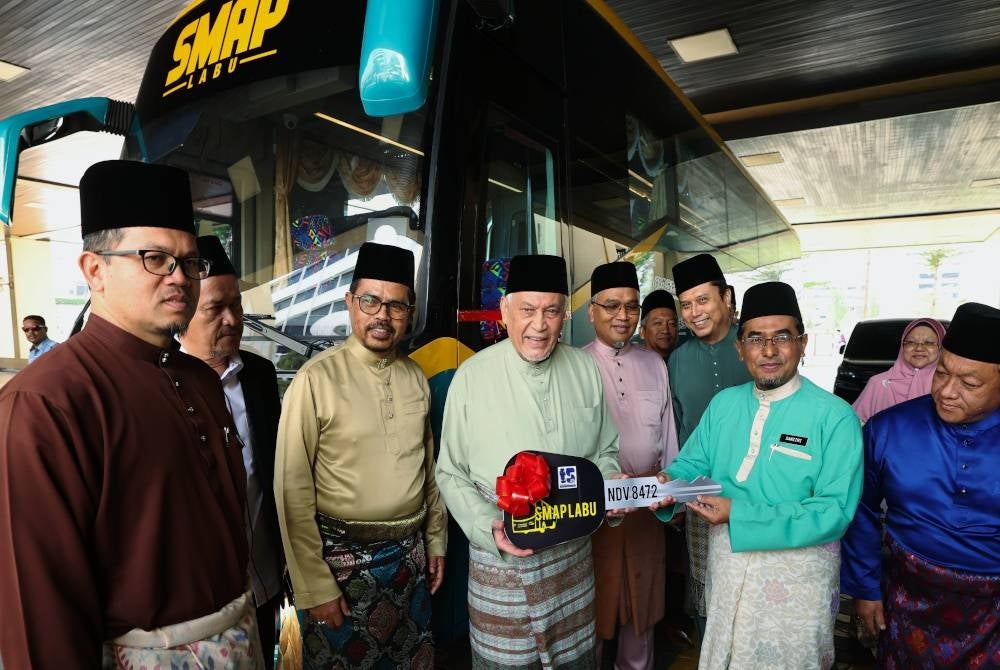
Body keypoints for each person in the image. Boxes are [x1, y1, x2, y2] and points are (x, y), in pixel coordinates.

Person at [0, 161, 259, 668]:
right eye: (156, 258)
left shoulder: (202, 379)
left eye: (189, 262)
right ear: (94, 269)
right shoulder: (46, 404)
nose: (180, 278)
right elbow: (40, 623)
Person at [652, 281, 863, 670]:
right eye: (755, 338)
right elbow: (692, 463)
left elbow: (833, 512)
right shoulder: (724, 405)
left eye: (781, 337)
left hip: (797, 583)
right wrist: (665, 484)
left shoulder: (835, 417)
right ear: (739, 346)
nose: (768, 351)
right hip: (729, 567)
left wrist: (739, 513)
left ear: (802, 341)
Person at [435, 254, 620, 670]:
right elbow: (449, 470)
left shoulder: (585, 368)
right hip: (502, 564)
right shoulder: (471, 375)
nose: (540, 325)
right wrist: (489, 526)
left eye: (552, 311)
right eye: (527, 310)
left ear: (564, 315)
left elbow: (605, 452)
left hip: (572, 565)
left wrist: (612, 487)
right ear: (504, 312)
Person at [275, 241, 447, 670]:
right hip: (340, 572)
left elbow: (429, 471)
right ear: (350, 302)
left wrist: (436, 539)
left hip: (409, 566)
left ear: (410, 312)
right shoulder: (315, 380)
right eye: (370, 300)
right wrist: (315, 587)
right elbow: (291, 492)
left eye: (396, 305)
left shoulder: (415, 379)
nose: (382, 316)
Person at [840, 302, 1000, 669]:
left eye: (970, 383)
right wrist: (865, 590)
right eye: (942, 373)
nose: (946, 391)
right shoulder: (888, 429)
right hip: (906, 601)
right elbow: (861, 512)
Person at [177, 235, 285, 669]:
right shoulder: (165, 384)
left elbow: (275, 470)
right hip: (199, 597)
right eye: (215, 309)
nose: (232, 319)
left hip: (262, 578)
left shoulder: (259, 374)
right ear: (182, 312)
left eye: (237, 305)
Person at [583, 262, 678, 670]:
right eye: (612, 306)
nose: (623, 315)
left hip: (647, 507)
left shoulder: (655, 363)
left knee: (642, 606)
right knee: (595, 606)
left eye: (631, 306)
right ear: (592, 311)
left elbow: (669, 433)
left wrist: (671, 488)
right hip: (596, 510)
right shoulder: (576, 364)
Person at [666, 253, 751, 637]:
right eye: (686, 304)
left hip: (756, 495)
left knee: (751, 589)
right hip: (702, 492)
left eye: (703, 300)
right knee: (705, 585)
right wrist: (681, 494)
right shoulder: (678, 360)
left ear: (727, 298)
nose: (694, 312)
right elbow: (680, 430)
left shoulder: (755, 348)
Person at [852, 318, 946, 423]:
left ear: (941, 347)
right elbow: (855, 426)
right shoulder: (879, 384)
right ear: (902, 346)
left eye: (928, 342)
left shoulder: (946, 386)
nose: (919, 348)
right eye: (911, 342)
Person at [639, 289, 679, 359]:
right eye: (658, 323)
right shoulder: (631, 365)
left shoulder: (685, 362)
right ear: (642, 332)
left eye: (671, 323)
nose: (665, 330)